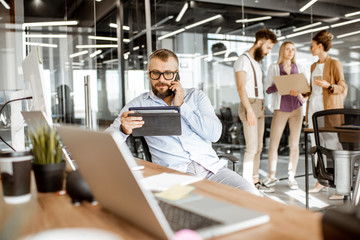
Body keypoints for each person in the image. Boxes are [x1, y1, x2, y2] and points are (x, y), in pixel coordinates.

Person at [107, 49, 261, 196]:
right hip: (175, 175)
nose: (161, 79)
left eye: (167, 73)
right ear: (149, 73)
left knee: (251, 195)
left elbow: (214, 135)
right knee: (193, 208)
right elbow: (107, 140)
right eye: (156, 73)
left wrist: (182, 106)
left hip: (212, 170)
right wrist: (123, 130)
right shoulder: (139, 104)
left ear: (176, 74)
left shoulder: (196, 96)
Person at [233, 29, 278, 192]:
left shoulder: (256, 62)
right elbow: (240, 87)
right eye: (268, 48)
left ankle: (255, 179)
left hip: (259, 105)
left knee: (258, 147)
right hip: (249, 106)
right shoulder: (242, 60)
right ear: (260, 42)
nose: (267, 52)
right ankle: (246, 184)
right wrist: (249, 109)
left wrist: (261, 104)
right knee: (251, 147)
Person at [306, 30, 346, 197]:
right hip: (313, 110)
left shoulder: (335, 63)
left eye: (313, 45)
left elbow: (342, 87)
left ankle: (342, 185)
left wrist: (328, 85)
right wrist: (300, 92)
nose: (311, 48)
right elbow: (311, 90)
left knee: (333, 146)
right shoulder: (313, 66)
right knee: (316, 145)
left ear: (320, 46)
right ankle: (321, 181)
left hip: (328, 112)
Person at [264, 41, 308, 190]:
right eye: (288, 49)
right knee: (274, 144)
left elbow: (306, 90)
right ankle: (271, 176)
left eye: (293, 50)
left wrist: (299, 92)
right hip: (281, 108)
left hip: (297, 109)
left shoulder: (299, 68)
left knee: (294, 145)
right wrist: (281, 85)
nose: (291, 52)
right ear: (282, 51)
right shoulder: (274, 68)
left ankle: (292, 177)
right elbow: (268, 90)